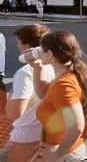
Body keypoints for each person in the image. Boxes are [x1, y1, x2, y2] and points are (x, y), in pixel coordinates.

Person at [31, 31, 87, 160]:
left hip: (66, 154)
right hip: (69, 148)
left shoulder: (63, 85)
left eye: (41, 50)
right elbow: (43, 94)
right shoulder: (70, 73)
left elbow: (76, 126)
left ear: (49, 54)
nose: (39, 52)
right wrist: (37, 68)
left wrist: (56, 154)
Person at [4, 25, 55, 162]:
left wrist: (10, 98)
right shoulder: (53, 65)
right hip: (46, 133)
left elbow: (14, 113)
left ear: (27, 46)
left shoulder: (25, 72)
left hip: (25, 137)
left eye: (18, 42)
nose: (17, 46)